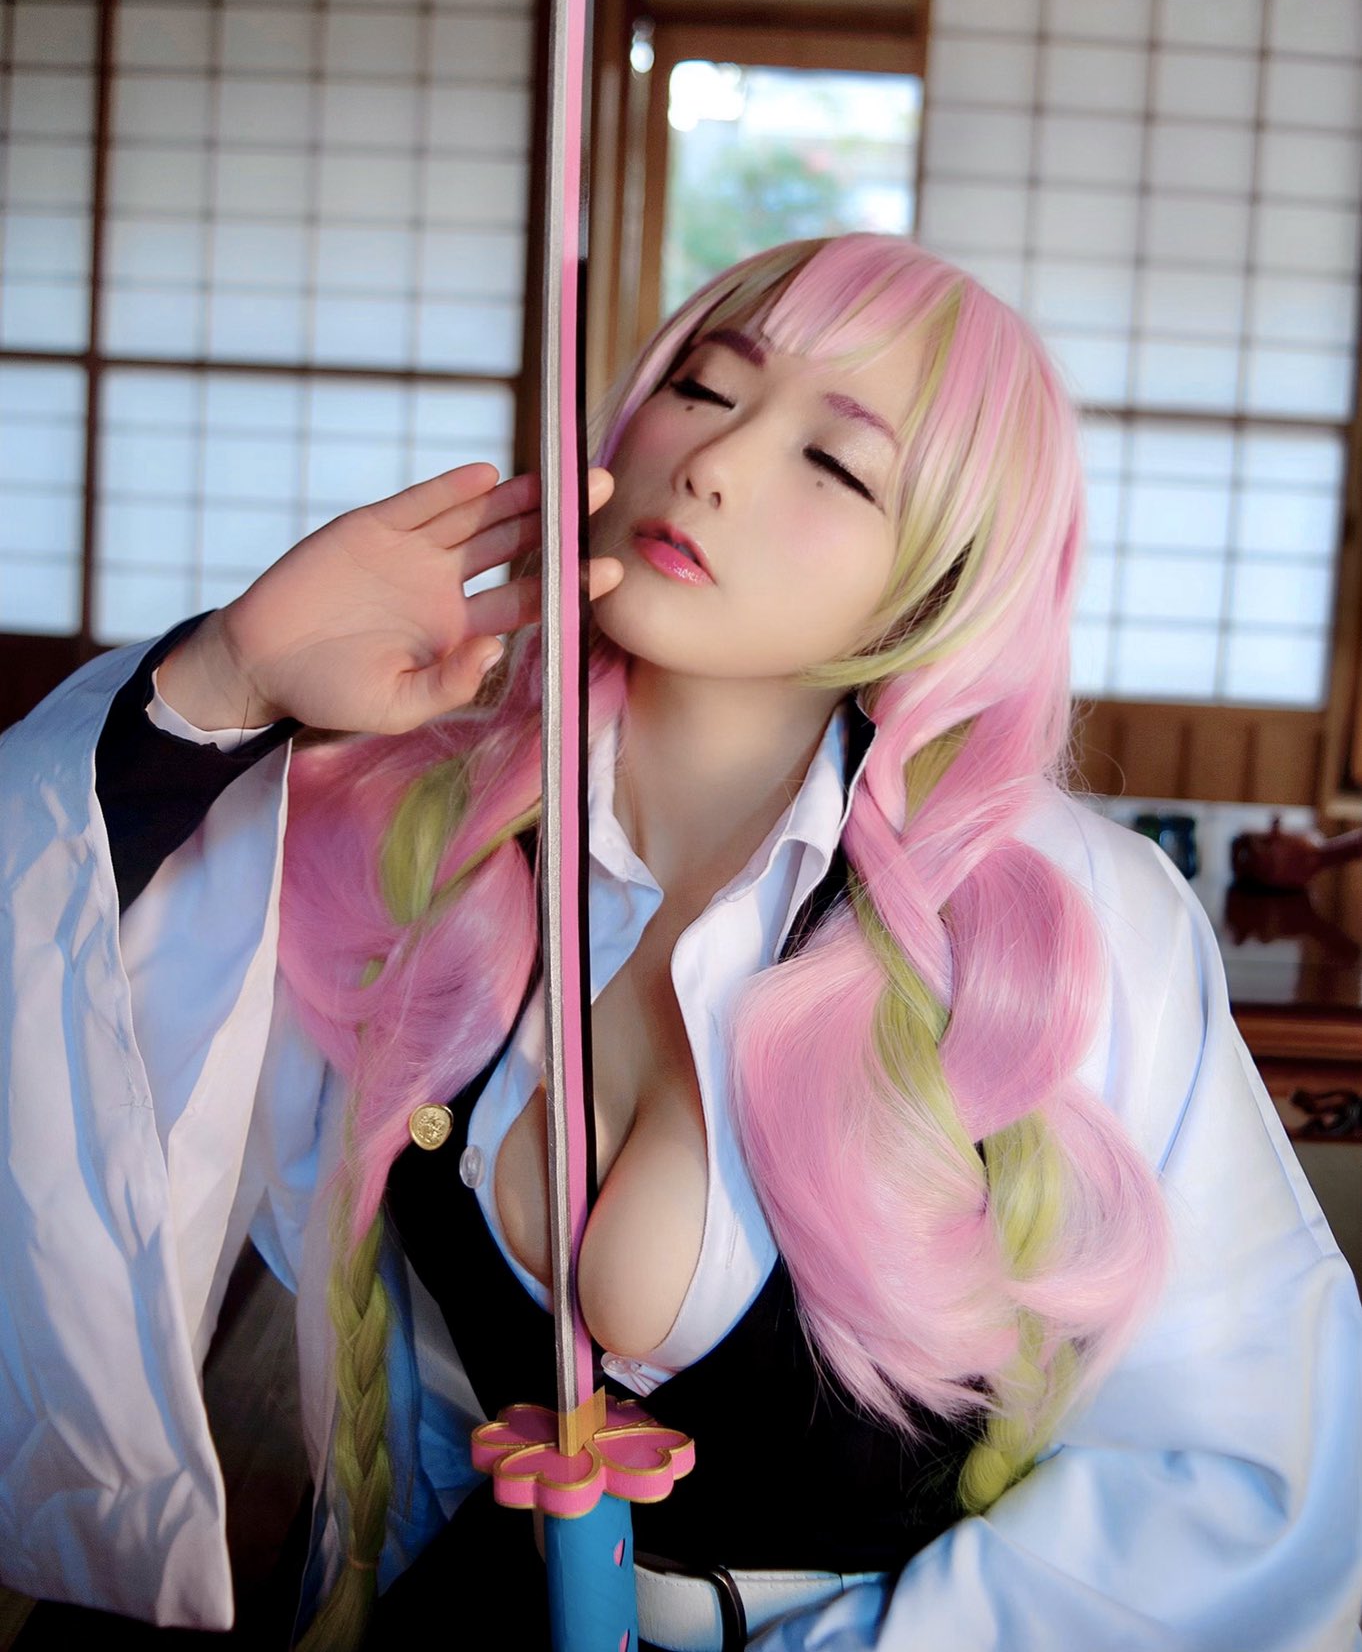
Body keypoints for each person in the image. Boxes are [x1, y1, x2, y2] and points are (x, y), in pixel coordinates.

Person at [1, 233, 1359, 1652]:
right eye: (706, 388)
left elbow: (1237, 1472)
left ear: (935, 588)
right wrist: (223, 683)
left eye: (834, 463)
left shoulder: (1056, 925)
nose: (712, 463)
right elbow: (72, 1040)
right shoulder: (417, 837)